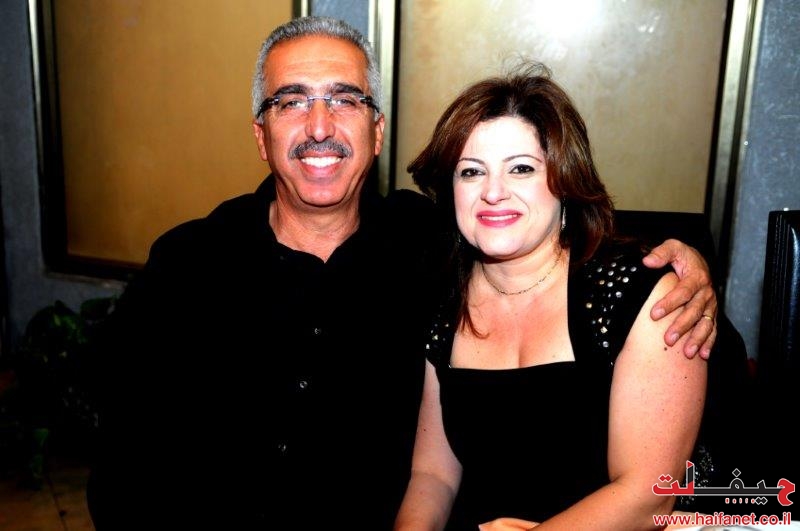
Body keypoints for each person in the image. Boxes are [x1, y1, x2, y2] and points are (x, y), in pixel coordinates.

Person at [86, 17, 716, 530]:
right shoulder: (187, 264)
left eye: (345, 100)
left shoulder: (435, 246)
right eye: (291, 102)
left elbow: (547, 232)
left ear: (377, 130)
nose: (319, 127)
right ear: (261, 135)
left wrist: (686, 267)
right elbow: (123, 464)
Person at [393, 64, 708, 530]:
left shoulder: (639, 295)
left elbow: (647, 497)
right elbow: (432, 476)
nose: (493, 192)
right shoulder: (442, 295)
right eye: (471, 172)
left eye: (521, 168)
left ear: (565, 181)